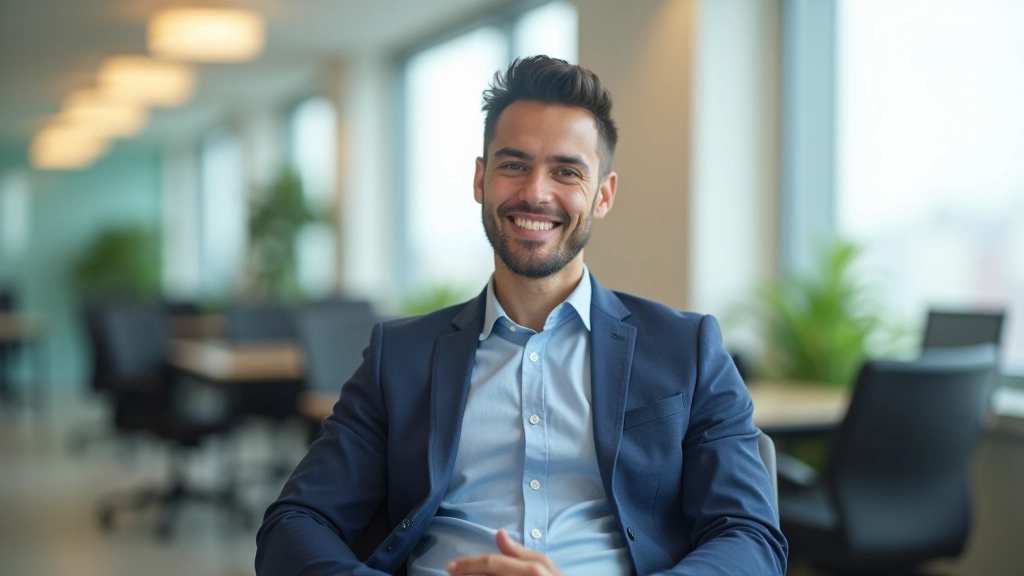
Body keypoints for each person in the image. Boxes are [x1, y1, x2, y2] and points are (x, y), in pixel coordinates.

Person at [256, 55, 787, 576]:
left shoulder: (687, 348)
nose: (535, 192)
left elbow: (750, 537)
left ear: (603, 195)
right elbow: (294, 524)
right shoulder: (400, 358)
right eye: (514, 165)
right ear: (480, 180)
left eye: (566, 171)